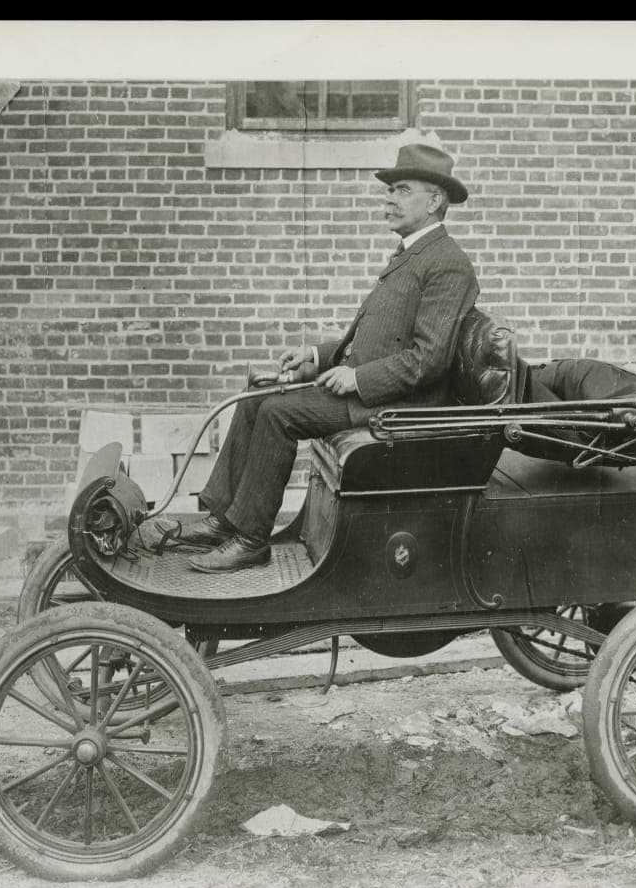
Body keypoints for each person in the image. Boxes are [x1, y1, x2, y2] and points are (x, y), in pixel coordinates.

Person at [147, 144, 479, 573]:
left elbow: (428, 361)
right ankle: (224, 520)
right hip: (381, 389)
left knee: (278, 414)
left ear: (435, 201)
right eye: (389, 190)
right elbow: (379, 336)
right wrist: (319, 356)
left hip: (401, 406)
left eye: (401, 190)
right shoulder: (412, 252)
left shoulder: (448, 262)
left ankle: (251, 540)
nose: (388, 199)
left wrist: (357, 379)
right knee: (257, 398)